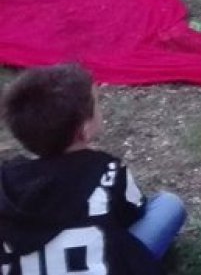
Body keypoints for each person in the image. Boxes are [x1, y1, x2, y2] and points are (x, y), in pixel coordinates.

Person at [0, 64, 186, 275]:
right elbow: (134, 214)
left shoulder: (6, 183)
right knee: (168, 205)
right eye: (97, 103)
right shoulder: (108, 171)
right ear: (84, 130)